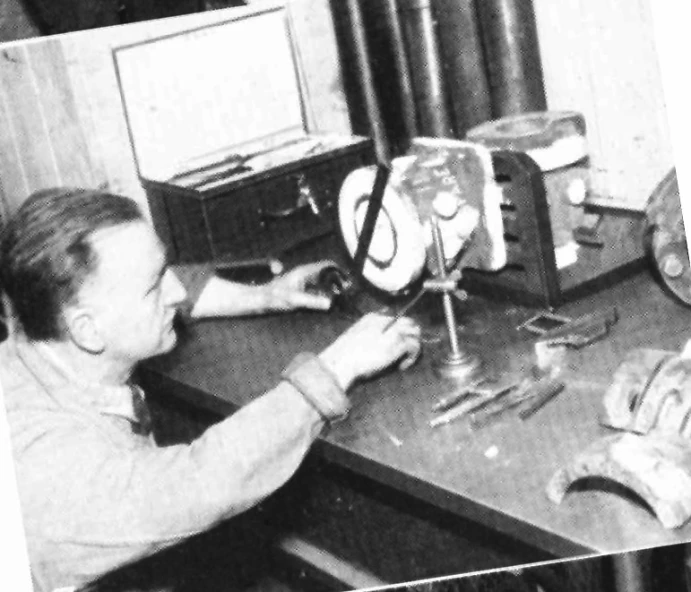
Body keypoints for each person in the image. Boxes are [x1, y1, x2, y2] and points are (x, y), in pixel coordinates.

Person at [0, 188, 421, 592]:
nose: (177, 292)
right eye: (154, 287)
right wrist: (339, 365)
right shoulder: (46, 468)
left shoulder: (45, 342)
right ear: (87, 331)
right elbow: (197, 483)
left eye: (164, 270)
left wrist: (267, 296)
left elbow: (155, 287)